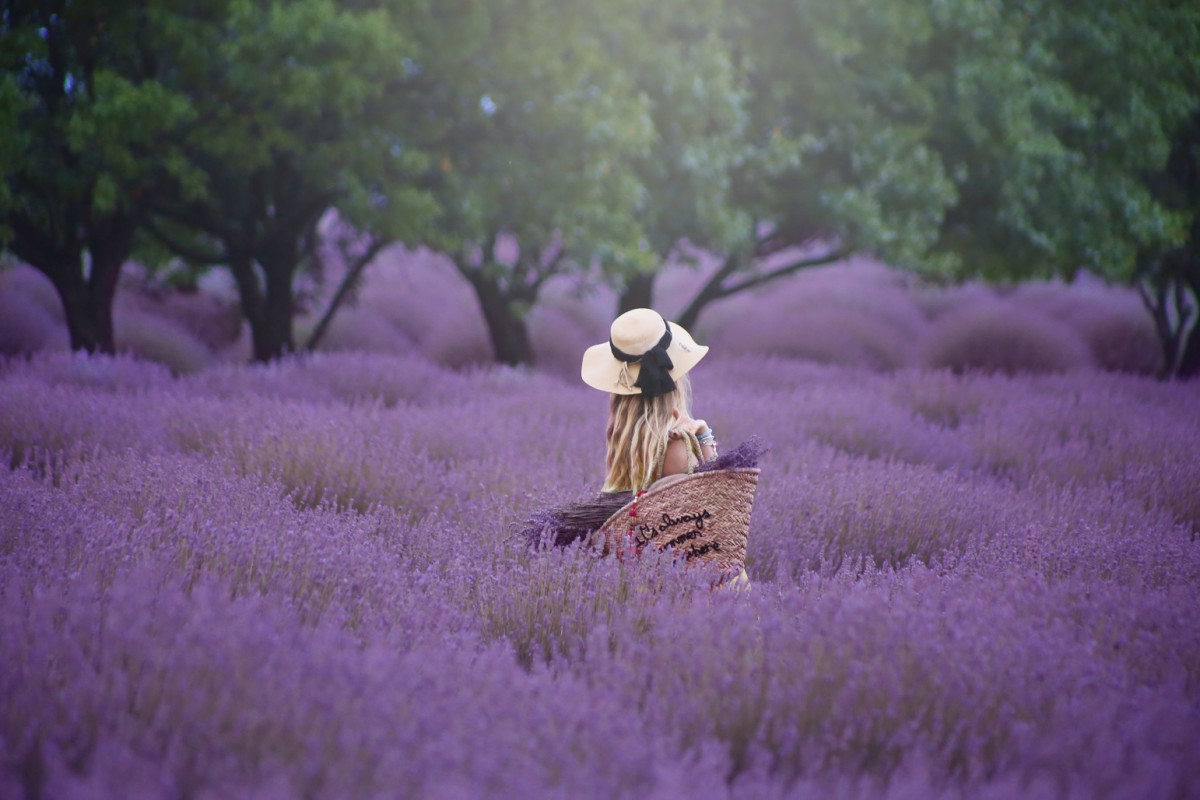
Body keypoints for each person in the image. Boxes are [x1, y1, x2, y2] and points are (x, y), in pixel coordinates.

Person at [581, 308, 718, 493]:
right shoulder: (674, 447)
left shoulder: (626, 445)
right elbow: (719, 497)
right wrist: (703, 434)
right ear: (675, 381)